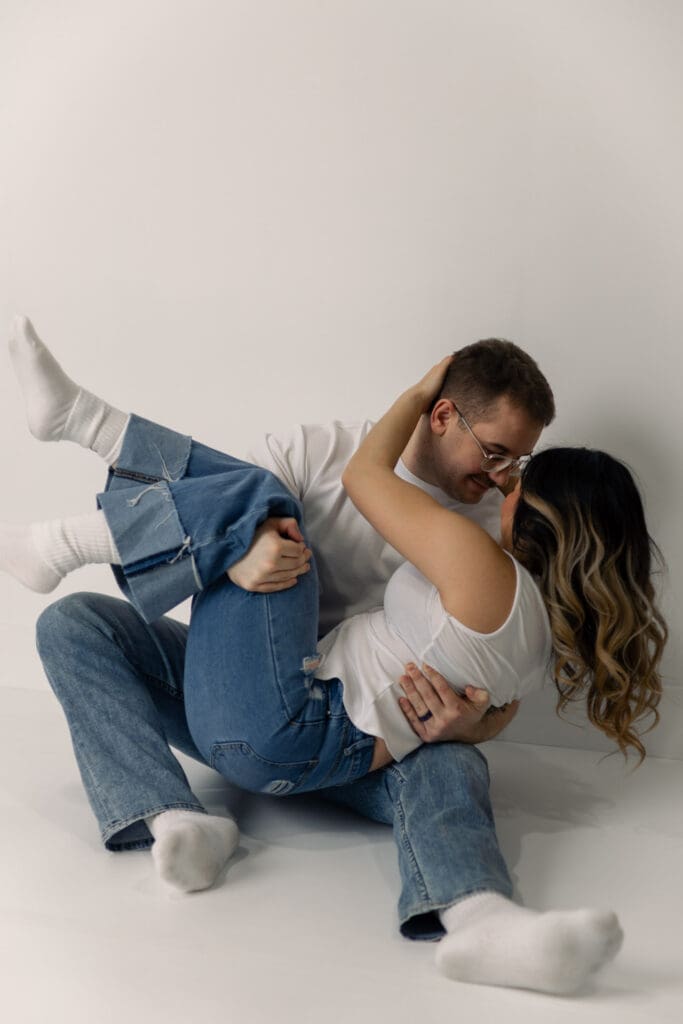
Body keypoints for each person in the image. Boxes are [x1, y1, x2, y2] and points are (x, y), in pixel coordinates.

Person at [3, 315, 665, 994]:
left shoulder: (479, 543)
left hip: (311, 727)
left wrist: (474, 725)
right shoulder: (326, 452)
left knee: (448, 757)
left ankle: (81, 467)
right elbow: (215, 513)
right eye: (497, 453)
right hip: (258, 692)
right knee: (82, 618)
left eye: (518, 468)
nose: (501, 479)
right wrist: (238, 560)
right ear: (445, 416)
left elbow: (367, 489)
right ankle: (174, 816)